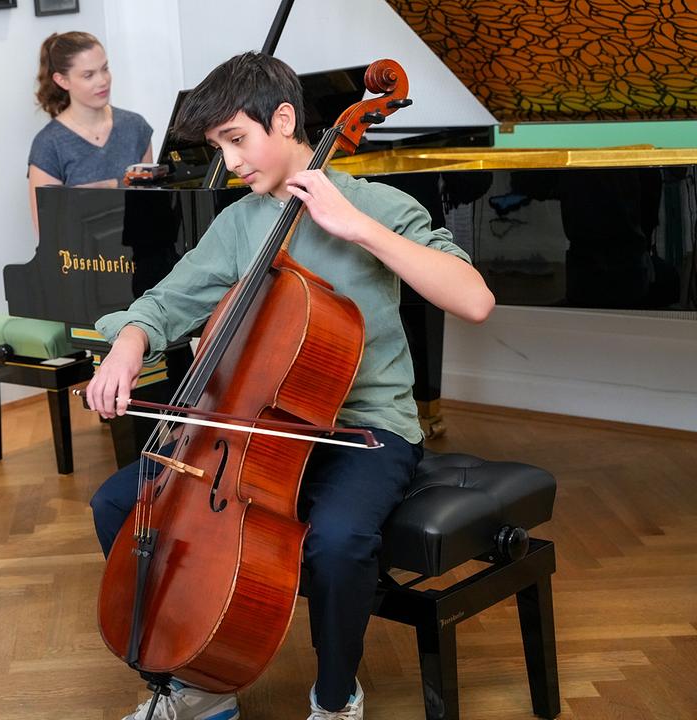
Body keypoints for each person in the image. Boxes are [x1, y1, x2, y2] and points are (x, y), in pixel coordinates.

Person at [84, 54, 495, 720]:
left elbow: (474, 300)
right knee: (117, 503)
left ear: (282, 119)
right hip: (252, 429)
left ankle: (335, 698)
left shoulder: (378, 205)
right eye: (218, 147)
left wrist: (356, 227)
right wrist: (129, 343)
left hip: (362, 430)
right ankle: (197, 681)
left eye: (236, 140)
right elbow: (165, 302)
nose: (229, 162)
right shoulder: (240, 223)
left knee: (339, 541)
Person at [28, 31, 154, 230]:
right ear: (62, 80)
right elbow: (48, 230)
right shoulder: (49, 144)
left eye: (105, 69)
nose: (103, 81)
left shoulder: (135, 126)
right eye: (89, 75)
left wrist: (109, 186)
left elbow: (151, 200)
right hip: (80, 249)